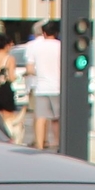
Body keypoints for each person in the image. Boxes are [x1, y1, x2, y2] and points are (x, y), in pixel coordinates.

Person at [24, 20, 63, 150]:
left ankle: (40, 145)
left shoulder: (36, 47)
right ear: (57, 33)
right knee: (56, 119)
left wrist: (39, 72)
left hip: (41, 87)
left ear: (44, 33)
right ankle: (58, 144)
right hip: (57, 87)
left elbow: (30, 68)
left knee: (40, 117)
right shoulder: (60, 46)